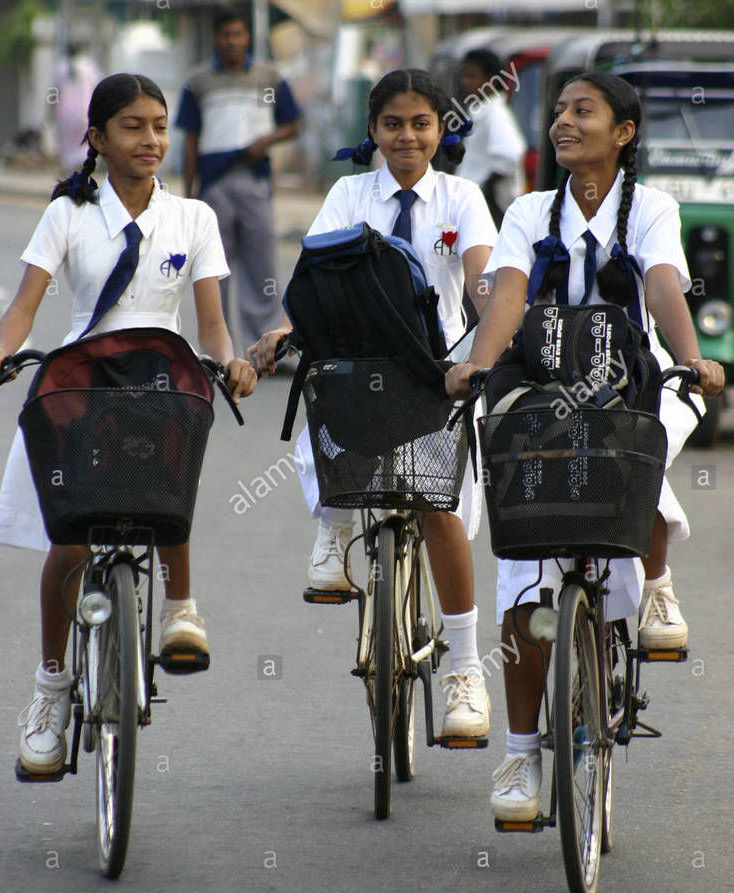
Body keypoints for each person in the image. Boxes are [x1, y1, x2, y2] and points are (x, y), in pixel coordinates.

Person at [446, 72, 725, 819]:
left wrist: (694, 356)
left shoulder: (651, 208)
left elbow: (664, 285)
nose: (563, 122)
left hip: (628, 376)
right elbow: (507, 293)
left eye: (583, 111)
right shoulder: (530, 211)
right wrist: (478, 365)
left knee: (644, 439)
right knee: (522, 587)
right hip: (541, 379)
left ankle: (655, 584)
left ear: (623, 133)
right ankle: (519, 758)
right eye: (560, 112)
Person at [0, 73, 257, 776]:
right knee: (72, 542)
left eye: (160, 126)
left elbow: (211, 324)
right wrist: (1, 348)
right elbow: (24, 306)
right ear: (98, 137)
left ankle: (181, 609)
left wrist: (228, 364)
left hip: (160, 374)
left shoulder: (193, 217)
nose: (151, 141)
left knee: (164, 490)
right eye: (133, 127)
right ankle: (49, 689)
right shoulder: (67, 214)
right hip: (81, 380)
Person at [250, 68, 498, 738]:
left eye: (421, 123)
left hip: (439, 373)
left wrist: (489, 345)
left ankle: (466, 670)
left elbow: (482, 280)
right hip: (361, 366)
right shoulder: (348, 193)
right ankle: (332, 534)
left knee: (439, 511)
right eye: (393, 123)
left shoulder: (463, 198)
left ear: (443, 128)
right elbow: (311, 277)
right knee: (327, 397)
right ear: (373, 130)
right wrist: (279, 330)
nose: (407, 136)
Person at [176, 5, 302, 356]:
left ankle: (266, 344)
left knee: (260, 265)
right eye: (226, 35)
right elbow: (190, 139)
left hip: (255, 180)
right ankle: (221, 350)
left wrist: (266, 140)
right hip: (215, 182)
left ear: (248, 37)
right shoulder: (198, 82)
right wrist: (190, 195)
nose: (232, 41)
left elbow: (293, 123)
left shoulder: (269, 77)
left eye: (238, 34)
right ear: (217, 38)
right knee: (216, 266)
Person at [455, 48, 526, 228]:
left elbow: (510, 155)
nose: (464, 82)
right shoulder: (482, 110)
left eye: (471, 76)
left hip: (489, 208)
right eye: (463, 75)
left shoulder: (495, 113)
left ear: (490, 80)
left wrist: (482, 190)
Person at [53, 43, 102, 174]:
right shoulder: (88, 66)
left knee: (68, 143)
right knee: (84, 141)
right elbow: (97, 88)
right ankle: (83, 168)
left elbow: (54, 92)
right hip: (84, 112)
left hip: (65, 112)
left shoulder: (60, 67)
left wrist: (50, 113)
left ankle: (71, 170)